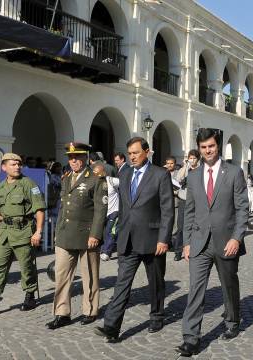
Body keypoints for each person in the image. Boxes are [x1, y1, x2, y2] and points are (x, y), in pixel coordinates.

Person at [176, 128, 249, 357]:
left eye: (212, 146)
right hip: (199, 243)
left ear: (219, 147)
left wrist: (237, 238)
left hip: (226, 242)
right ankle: (191, 337)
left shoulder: (234, 173)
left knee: (229, 285)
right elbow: (189, 211)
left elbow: (242, 209)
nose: (208, 150)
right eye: (203, 147)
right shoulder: (194, 175)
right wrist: (186, 242)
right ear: (199, 148)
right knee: (196, 289)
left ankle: (232, 320)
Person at [95, 137, 174, 341]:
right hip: (127, 239)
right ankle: (112, 326)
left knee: (155, 282)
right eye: (129, 153)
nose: (132, 157)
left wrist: (163, 239)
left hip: (152, 239)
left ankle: (157, 315)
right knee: (122, 283)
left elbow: (167, 210)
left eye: (136, 153)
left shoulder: (160, 174)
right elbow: (124, 205)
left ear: (146, 152)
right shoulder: (125, 172)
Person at [46, 143, 108, 330]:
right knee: (61, 275)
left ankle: (90, 310)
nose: (73, 161)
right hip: (65, 235)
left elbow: (100, 210)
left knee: (89, 275)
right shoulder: (66, 179)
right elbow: (63, 208)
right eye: (70, 158)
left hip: (87, 235)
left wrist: (95, 234)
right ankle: (61, 313)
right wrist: (58, 233)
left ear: (85, 158)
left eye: (77, 157)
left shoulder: (96, 179)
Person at [0, 153, 45, 314]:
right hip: (4, 232)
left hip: (23, 230)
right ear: (4, 167)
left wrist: (38, 232)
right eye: (13, 164)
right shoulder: (1, 186)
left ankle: (30, 294)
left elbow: (39, 210)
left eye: (19, 164)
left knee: (26, 266)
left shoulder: (28, 184)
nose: (17, 167)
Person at [173, 149, 201, 262]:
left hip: (197, 201)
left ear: (198, 159)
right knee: (180, 226)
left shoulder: (200, 170)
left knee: (195, 226)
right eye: (190, 158)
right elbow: (178, 179)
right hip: (184, 200)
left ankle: (193, 249)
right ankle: (178, 251)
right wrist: (185, 166)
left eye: (194, 158)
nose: (192, 160)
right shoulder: (185, 170)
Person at [93, 163, 120, 262]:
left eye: (98, 173)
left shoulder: (112, 181)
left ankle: (106, 252)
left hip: (114, 211)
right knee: (105, 232)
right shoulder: (94, 183)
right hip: (102, 213)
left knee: (111, 231)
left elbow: (127, 183)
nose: (96, 175)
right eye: (95, 173)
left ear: (103, 172)